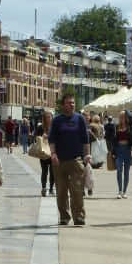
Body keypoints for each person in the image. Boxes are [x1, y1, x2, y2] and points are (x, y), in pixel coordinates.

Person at [49, 93, 90, 226]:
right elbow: (52, 139)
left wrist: (87, 155)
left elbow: (85, 140)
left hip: (76, 160)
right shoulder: (57, 120)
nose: (72, 105)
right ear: (63, 105)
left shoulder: (80, 119)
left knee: (77, 190)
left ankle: (79, 217)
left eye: (73, 103)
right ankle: (64, 217)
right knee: (61, 191)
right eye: (69, 103)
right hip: (59, 161)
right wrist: (53, 153)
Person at [113, 110, 132, 199]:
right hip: (119, 149)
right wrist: (113, 152)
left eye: (123, 117)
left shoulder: (130, 127)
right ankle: (119, 191)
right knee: (119, 170)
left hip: (127, 150)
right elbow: (114, 140)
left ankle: (124, 191)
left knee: (126, 172)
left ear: (126, 118)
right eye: (120, 117)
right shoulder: (117, 127)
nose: (121, 119)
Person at [35, 111, 55, 197]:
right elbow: (36, 138)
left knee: (53, 172)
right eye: (47, 117)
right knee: (44, 171)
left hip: (52, 151)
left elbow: (57, 138)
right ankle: (43, 188)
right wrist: (42, 137)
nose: (48, 118)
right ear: (44, 118)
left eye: (50, 117)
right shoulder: (40, 127)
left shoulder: (54, 127)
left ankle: (51, 188)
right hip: (43, 152)